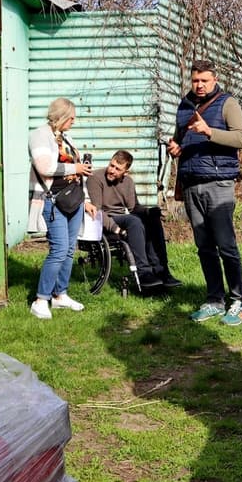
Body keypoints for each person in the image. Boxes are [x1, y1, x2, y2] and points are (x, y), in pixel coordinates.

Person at [167, 60, 242, 325]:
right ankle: (215, 300)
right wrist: (176, 147)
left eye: (204, 80)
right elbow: (179, 138)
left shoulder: (228, 103)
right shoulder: (184, 106)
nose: (199, 85)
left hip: (219, 183)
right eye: (195, 80)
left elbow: (240, 139)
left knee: (226, 245)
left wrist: (209, 131)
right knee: (204, 247)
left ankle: (239, 302)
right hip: (192, 182)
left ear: (214, 79)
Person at [28, 97, 96, 319]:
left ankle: (60, 295)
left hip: (73, 199)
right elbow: (45, 166)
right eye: (72, 118)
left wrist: (85, 199)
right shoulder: (40, 135)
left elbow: (78, 174)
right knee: (58, 249)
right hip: (52, 199)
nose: (73, 123)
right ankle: (40, 299)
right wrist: (74, 166)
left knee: (68, 249)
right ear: (61, 117)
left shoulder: (65, 137)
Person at [85, 150, 182, 292]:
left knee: (152, 219)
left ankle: (162, 270)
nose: (112, 170)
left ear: (126, 172)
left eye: (117, 169)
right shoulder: (96, 178)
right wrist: (115, 228)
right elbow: (97, 211)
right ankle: (144, 272)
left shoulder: (128, 182)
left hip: (123, 219)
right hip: (106, 222)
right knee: (134, 221)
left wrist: (149, 212)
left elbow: (133, 207)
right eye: (111, 165)